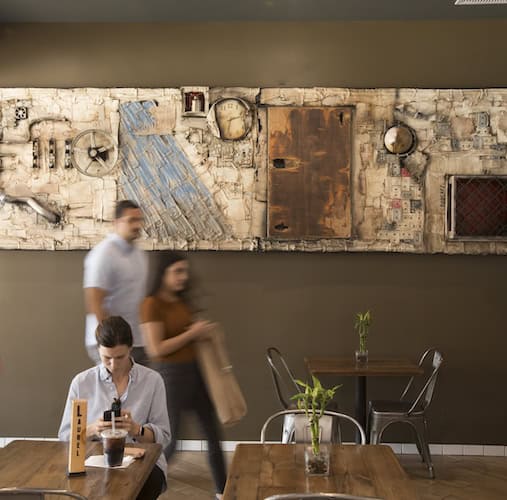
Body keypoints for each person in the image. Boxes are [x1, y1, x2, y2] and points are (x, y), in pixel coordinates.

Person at [140, 251, 227, 500]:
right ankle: (139, 486)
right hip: (172, 377)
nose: (183, 277)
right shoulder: (151, 304)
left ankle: (223, 492)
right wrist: (192, 333)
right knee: (171, 442)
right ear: (163, 273)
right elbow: (156, 350)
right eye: (177, 271)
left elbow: (188, 336)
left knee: (212, 434)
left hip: (195, 373)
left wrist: (202, 331)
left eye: (184, 271)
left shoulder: (180, 301)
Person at [58, 316, 171, 500]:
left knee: (142, 486)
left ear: (131, 350)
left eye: (120, 357)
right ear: (98, 351)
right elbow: (65, 437)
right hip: (94, 463)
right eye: (106, 358)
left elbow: (164, 437)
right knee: (90, 487)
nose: (114, 364)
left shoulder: (152, 381)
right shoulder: (82, 382)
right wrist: (93, 429)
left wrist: (136, 429)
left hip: (143, 464)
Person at [84, 200, 148, 365]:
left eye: (139, 220)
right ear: (116, 223)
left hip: (137, 340)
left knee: (140, 389)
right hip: (112, 344)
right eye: (131, 220)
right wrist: (111, 343)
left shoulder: (139, 254)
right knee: (115, 390)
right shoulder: (104, 254)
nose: (137, 225)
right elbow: (95, 301)